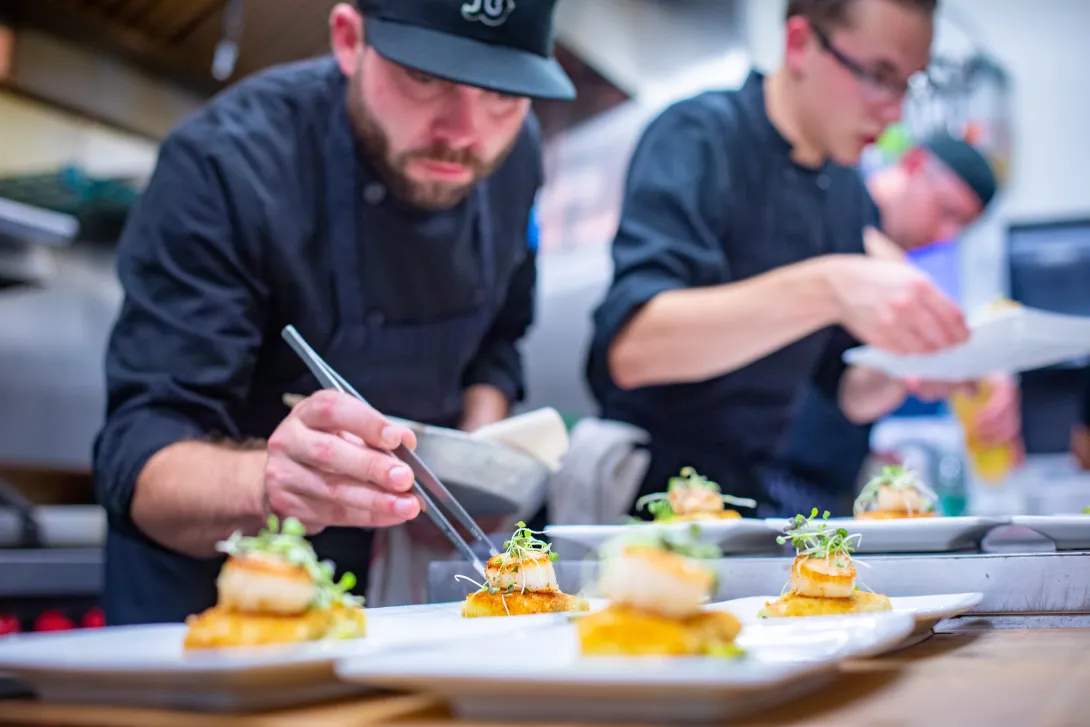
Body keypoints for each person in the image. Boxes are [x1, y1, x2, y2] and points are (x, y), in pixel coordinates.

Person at [92, 0, 575, 625]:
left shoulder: (515, 153)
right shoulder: (225, 165)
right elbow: (141, 456)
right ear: (350, 39)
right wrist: (272, 482)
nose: (462, 133)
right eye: (426, 79)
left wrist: (475, 465)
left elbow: (498, 341)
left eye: (503, 96)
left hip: (407, 602)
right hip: (212, 601)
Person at [585, 0, 972, 518]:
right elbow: (633, 350)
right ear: (799, 44)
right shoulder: (699, 135)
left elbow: (847, 390)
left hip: (749, 498)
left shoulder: (845, 191)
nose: (895, 111)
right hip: (641, 494)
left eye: (908, 85)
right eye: (879, 77)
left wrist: (915, 363)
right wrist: (827, 287)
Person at [777, 134, 1020, 511]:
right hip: (768, 476)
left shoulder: (889, 266)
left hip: (827, 486)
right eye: (945, 211)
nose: (944, 235)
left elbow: (845, 389)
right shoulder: (836, 211)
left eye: (960, 228)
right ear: (914, 164)